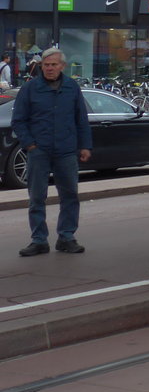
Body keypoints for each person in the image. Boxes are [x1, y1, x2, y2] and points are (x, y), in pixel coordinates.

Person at [11, 48, 92, 256]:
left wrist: (85, 146)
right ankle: (39, 240)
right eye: (46, 65)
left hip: (66, 151)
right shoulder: (30, 89)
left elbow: (81, 119)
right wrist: (30, 145)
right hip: (39, 151)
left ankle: (66, 237)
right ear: (41, 67)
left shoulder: (72, 87)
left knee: (70, 195)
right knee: (37, 197)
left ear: (62, 66)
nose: (49, 68)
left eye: (53, 65)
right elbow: (19, 121)